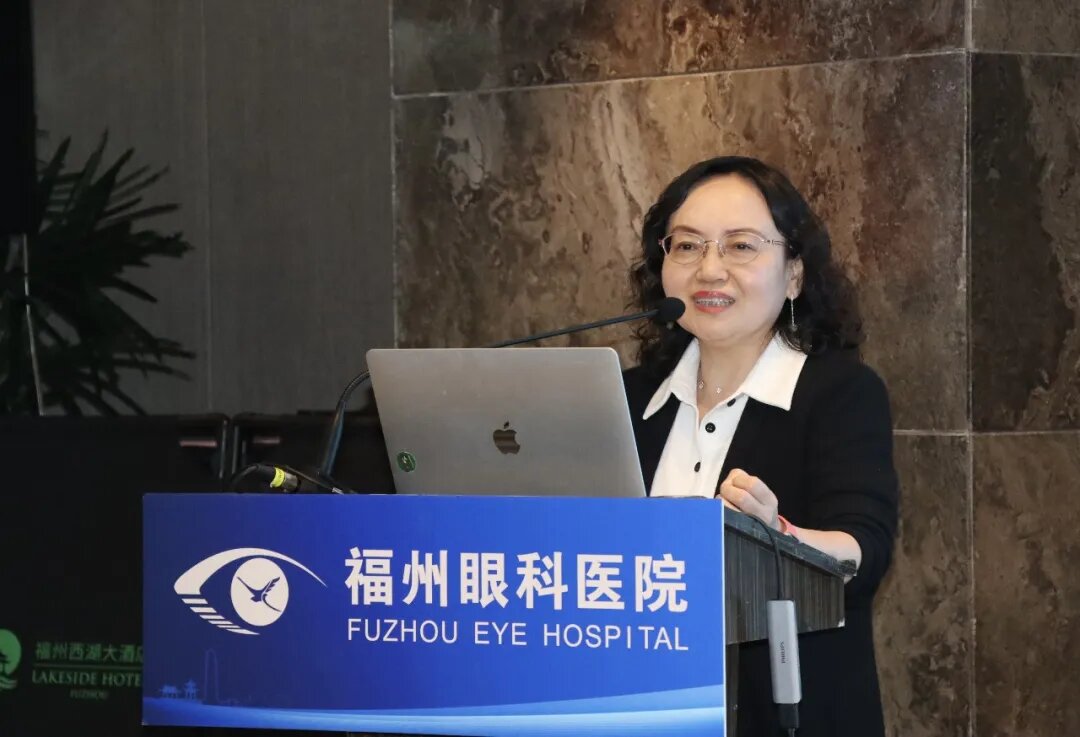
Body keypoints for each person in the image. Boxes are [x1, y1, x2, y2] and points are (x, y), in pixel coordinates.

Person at [623, 156, 899, 737]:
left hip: (787, 716)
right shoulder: (627, 398)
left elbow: (865, 546)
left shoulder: (840, 394)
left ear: (794, 274)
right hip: (637, 707)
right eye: (687, 246)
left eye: (741, 246)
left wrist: (780, 538)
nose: (710, 269)